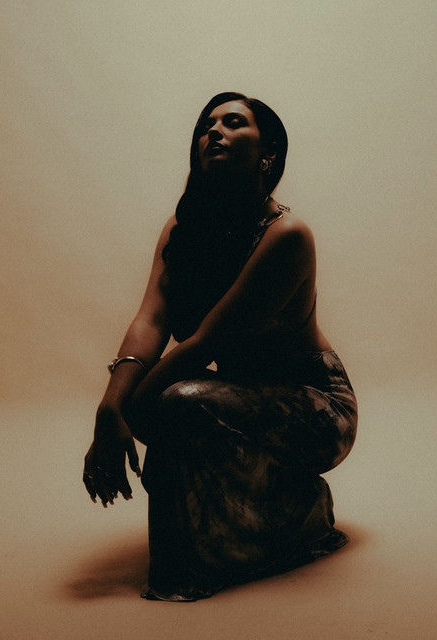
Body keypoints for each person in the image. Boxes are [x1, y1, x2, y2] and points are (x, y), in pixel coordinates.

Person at [83, 92, 358, 601]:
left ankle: (293, 513)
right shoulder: (184, 229)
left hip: (316, 409)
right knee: (167, 403)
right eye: (206, 125)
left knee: (175, 402)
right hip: (237, 393)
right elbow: (151, 318)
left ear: (269, 152)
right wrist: (109, 407)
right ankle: (273, 512)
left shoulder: (287, 235)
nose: (214, 131)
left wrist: (132, 408)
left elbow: (206, 341)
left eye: (233, 122)